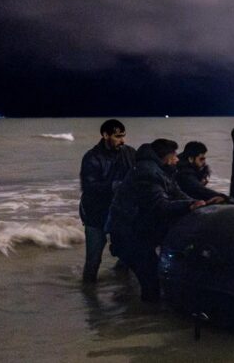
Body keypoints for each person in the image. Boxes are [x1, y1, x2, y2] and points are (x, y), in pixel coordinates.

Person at [106, 139, 207, 301]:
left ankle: (126, 303)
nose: (177, 159)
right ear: (166, 157)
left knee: (147, 274)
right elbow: (159, 205)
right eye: (174, 156)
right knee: (151, 282)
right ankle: (142, 320)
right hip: (130, 234)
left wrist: (200, 204)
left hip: (139, 230)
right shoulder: (148, 173)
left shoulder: (161, 171)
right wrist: (189, 206)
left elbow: (177, 193)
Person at [79, 119, 136, 283]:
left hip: (120, 212)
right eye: (118, 136)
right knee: (94, 259)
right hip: (95, 213)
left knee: (127, 253)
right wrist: (115, 185)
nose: (122, 140)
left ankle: (122, 285)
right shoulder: (91, 157)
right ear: (105, 135)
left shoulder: (129, 153)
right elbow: (89, 187)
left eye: (123, 136)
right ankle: (89, 296)